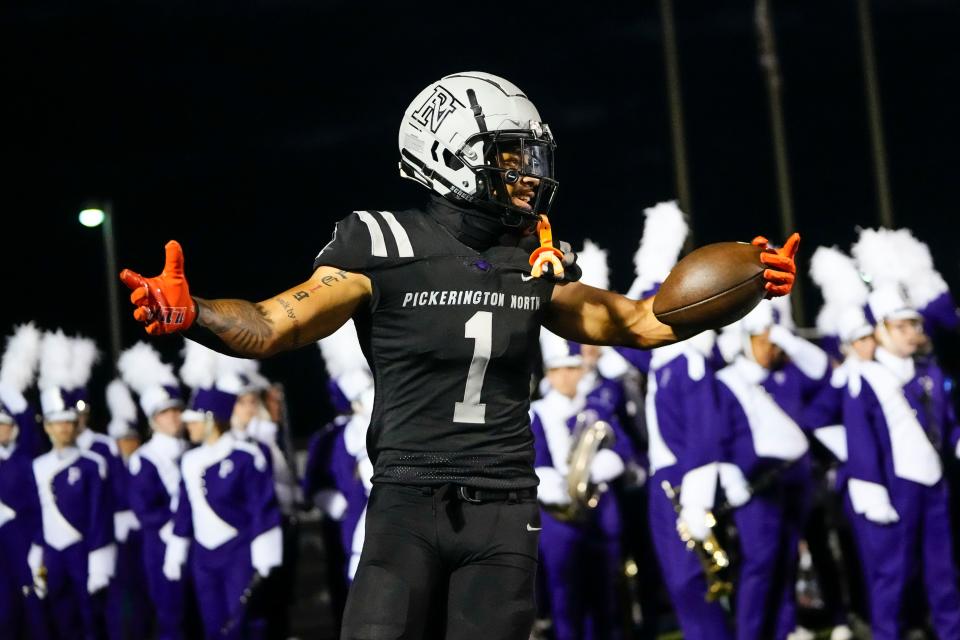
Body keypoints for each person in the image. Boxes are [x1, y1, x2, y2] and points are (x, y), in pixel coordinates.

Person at [118, 71, 799, 639]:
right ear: (451, 154)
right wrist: (198, 312)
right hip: (406, 500)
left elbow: (643, 322)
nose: (529, 171)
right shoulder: (378, 242)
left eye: (529, 153)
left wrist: (746, 287)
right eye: (510, 154)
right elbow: (273, 324)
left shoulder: (531, 256)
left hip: (506, 506)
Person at [843, 286, 960, 640]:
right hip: (895, 487)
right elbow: (859, 439)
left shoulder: (930, 372)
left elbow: (947, 423)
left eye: (915, 325)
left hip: (934, 484)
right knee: (891, 576)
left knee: (944, 573)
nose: (914, 332)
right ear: (881, 329)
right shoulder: (865, 376)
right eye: (903, 326)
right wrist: (871, 490)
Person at [166, 340, 283, 640]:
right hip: (203, 556)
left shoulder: (246, 456)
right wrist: (177, 548)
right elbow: (185, 508)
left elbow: (261, 505)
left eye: (193, 421)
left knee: (245, 624)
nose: (187, 427)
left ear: (209, 420)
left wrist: (264, 550)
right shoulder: (189, 461)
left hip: (238, 550)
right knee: (213, 625)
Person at [33, 330, 115, 640]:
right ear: (48, 427)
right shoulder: (37, 467)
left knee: (91, 620)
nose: (64, 428)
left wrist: (98, 560)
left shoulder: (93, 463)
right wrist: (37, 558)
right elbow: (37, 517)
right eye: (57, 423)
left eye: (68, 422)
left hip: (83, 551)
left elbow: (98, 516)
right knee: (58, 619)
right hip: (52, 554)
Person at [119, 342, 189, 640]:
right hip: (162, 545)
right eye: (164, 413)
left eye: (176, 410)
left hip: (194, 541)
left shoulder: (194, 450)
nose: (173, 417)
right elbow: (145, 508)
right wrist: (175, 533)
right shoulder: (144, 458)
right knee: (172, 617)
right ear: (152, 420)